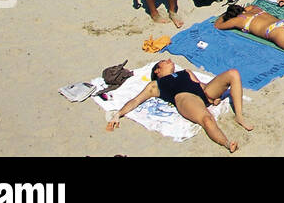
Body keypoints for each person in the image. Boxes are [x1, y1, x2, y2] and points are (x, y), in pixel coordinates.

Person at [107, 59, 251, 152]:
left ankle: (239, 116)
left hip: (202, 92)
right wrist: (118, 114)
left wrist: (213, 97)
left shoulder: (185, 72)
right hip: (185, 98)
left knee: (233, 73)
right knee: (207, 119)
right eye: (164, 61)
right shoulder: (155, 85)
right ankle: (227, 143)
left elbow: (200, 84)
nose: (169, 60)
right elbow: (136, 100)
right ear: (157, 70)